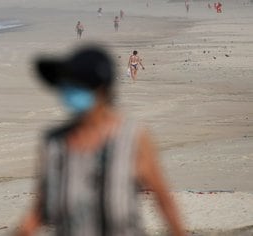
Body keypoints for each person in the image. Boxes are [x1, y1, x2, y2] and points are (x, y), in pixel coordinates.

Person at [16, 45, 185, 236]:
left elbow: (163, 200)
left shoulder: (132, 138)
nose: (70, 91)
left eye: (77, 85)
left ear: (102, 90)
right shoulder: (54, 144)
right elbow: (40, 209)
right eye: (67, 85)